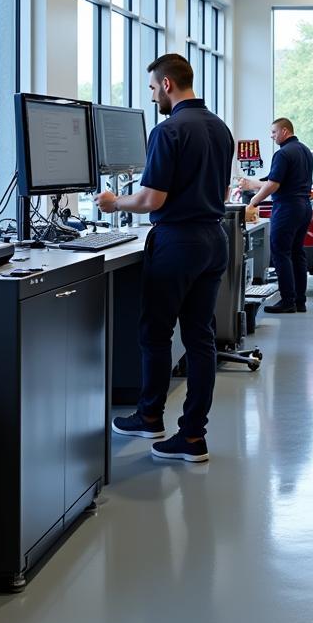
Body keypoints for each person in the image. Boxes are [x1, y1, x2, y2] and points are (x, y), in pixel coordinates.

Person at [99, 53, 234, 463]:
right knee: (199, 338)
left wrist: (111, 202)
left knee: (155, 333)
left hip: (177, 241)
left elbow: (151, 198)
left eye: (153, 87)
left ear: (168, 84)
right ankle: (193, 436)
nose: (154, 95)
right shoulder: (220, 128)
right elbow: (224, 192)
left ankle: (149, 416)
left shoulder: (168, 130)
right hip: (214, 238)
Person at [240, 117, 313, 314]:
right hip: (305, 206)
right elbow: (275, 179)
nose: (271, 136)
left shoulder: (282, 153)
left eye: (273, 132)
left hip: (287, 207)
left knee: (281, 252)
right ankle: (300, 301)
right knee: (297, 252)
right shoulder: (304, 150)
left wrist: (253, 201)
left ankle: (287, 301)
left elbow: (274, 185)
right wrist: (251, 183)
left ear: (284, 131)